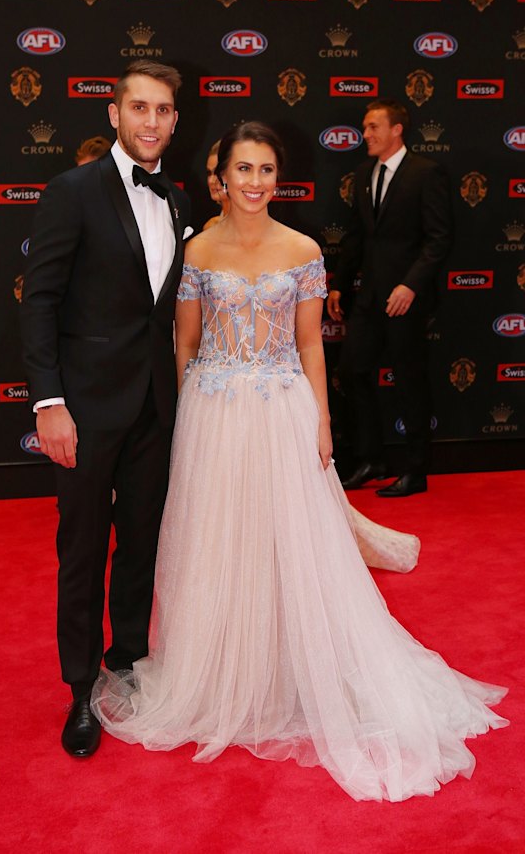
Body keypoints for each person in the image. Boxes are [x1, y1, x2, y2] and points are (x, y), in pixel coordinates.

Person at [91, 122, 507, 802]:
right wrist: (182, 418)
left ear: (276, 178)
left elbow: (311, 344)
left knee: (292, 543)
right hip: (213, 414)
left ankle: (290, 669)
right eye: (243, 169)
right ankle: (223, 674)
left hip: (283, 410)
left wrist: (321, 421)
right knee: (221, 543)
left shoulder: (303, 249)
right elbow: (185, 343)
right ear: (220, 177)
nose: (255, 182)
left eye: (265, 170)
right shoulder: (198, 250)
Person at [20, 60, 191, 759]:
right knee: (84, 549)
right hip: (85, 408)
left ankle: (127, 659)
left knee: (142, 542)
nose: (151, 121)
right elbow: (40, 300)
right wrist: (49, 402)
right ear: (114, 114)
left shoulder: (177, 198)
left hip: (156, 406)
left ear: (175, 120)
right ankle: (80, 687)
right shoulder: (73, 191)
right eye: (139, 108)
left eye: (163, 110)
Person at [330, 98, 453, 497]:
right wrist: (339, 284)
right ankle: (372, 459)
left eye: (373, 126)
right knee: (352, 371)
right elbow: (356, 236)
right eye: (365, 127)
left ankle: (416, 470)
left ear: (397, 129)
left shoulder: (425, 173)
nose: (365, 134)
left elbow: (439, 239)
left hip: (407, 299)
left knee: (410, 380)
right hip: (369, 297)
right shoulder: (364, 173)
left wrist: (411, 285)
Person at [202, 139, 230, 229]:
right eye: (209, 173)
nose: (211, 181)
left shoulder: (255, 227)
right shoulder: (211, 226)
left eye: (218, 173)